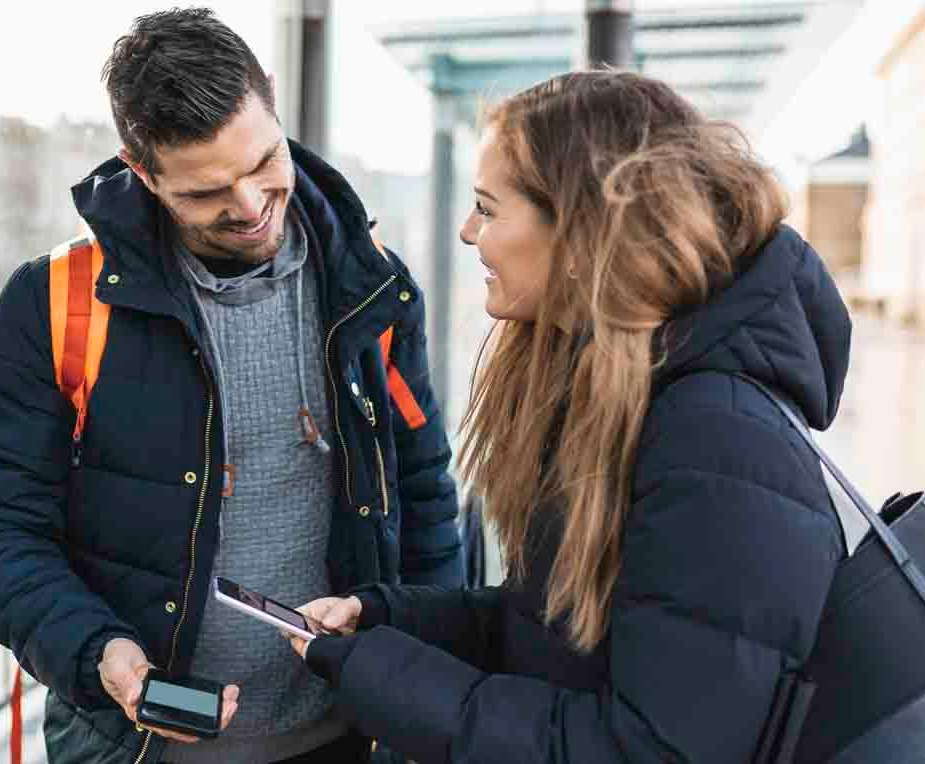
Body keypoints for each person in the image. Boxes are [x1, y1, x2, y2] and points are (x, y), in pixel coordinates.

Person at [0, 8, 463, 764]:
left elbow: (421, 495)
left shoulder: (372, 285)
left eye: (261, 164)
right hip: (132, 747)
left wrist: (429, 690)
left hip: (347, 736)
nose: (249, 208)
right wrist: (98, 655)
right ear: (141, 169)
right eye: (204, 193)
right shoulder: (56, 302)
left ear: (274, 101)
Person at [285, 70, 850, 762]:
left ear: (582, 235)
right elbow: (564, 635)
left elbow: (653, 749)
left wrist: (379, 676)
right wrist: (386, 621)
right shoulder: (617, 393)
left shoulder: (716, 440)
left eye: (488, 209)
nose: (467, 233)